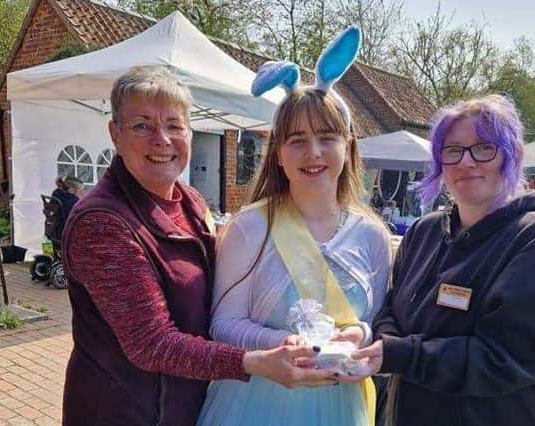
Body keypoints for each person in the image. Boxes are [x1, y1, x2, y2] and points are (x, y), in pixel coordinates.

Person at [61, 66, 335, 426]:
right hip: (126, 411)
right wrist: (251, 360)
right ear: (115, 133)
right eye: (142, 125)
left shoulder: (189, 201)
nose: (162, 139)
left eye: (174, 125)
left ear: (190, 132)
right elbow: (152, 343)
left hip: (181, 406)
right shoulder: (102, 223)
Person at [346, 95, 535, 426]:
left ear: (510, 154)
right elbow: (392, 308)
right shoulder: (424, 232)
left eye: (484, 148)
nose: (466, 162)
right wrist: (385, 342)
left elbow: (505, 358)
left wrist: (401, 354)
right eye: (453, 150)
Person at [197, 27, 392, 426]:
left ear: (348, 147)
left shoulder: (373, 234)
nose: (313, 152)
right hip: (253, 405)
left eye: (326, 137)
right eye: (297, 140)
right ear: (279, 155)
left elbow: (373, 321)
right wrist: (280, 346)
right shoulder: (250, 225)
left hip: (342, 407)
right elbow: (223, 324)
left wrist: (357, 336)